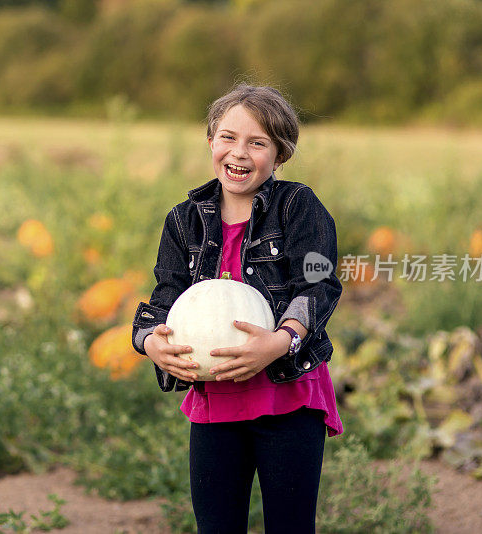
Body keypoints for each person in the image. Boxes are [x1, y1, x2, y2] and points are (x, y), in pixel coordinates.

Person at [131, 84, 344, 534]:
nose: (239, 153)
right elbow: (166, 295)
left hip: (287, 398)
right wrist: (150, 340)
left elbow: (319, 282)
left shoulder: (298, 207)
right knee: (216, 526)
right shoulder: (183, 220)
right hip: (216, 404)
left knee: (289, 526)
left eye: (257, 142)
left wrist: (281, 341)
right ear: (210, 140)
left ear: (279, 155)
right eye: (228, 137)